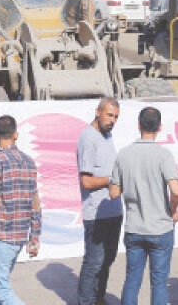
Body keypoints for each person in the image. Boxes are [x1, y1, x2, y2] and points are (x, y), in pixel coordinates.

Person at [109, 107, 178, 305]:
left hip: (134, 227)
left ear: (138, 125)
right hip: (160, 227)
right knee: (158, 282)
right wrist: (173, 211)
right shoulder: (163, 155)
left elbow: (114, 192)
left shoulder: (123, 155)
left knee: (132, 280)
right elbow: (176, 191)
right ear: (160, 127)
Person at [0, 115, 41, 304]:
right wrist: (34, 237)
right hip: (20, 236)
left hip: (3, 236)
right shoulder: (29, 162)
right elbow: (35, 202)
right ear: (16, 135)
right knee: (1, 287)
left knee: (1, 289)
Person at [77, 98, 124, 305]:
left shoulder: (107, 135)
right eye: (109, 115)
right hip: (96, 213)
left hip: (113, 210)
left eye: (115, 117)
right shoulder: (88, 138)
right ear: (98, 112)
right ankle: (85, 301)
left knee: (108, 259)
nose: (112, 120)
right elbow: (86, 181)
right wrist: (112, 180)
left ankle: (98, 298)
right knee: (94, 262)